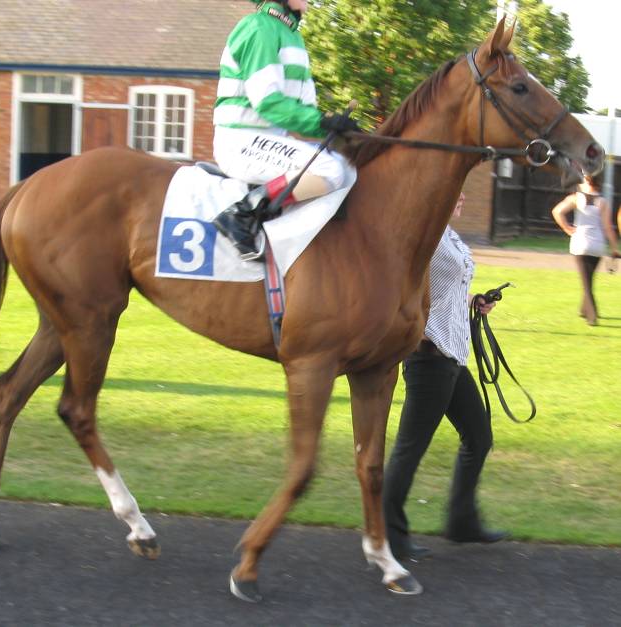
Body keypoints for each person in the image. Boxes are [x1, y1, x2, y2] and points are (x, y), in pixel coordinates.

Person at [383, 192, 508, 562]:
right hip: (429, 357)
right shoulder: (422, 234)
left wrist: (474, 301)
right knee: (410, 449)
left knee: (479, 438)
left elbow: (443, 289)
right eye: (456, 191)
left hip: (453, 356)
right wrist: (413, 331)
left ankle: (462, 521)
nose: (462, 196)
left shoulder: (447, 234)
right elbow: (397, 286)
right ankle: (388, 535)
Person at [212, 0, 360, 259]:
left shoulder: (292, 36)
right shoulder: (259, 27)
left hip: (270, 141)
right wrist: (321, 122)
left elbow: (303, 110)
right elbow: (267, 102)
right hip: (240, 142)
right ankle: (242, 213)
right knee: (329, 170)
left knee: (347, 167)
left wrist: (337, 127)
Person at [551, 174, 619, 326]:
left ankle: (592, 316)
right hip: (597, 245)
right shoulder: (602, 202)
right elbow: (608, 228)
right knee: (588, 278)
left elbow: (557, 211)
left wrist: (567, 228)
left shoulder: (575, 198)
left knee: (586, 283)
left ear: (586, 181)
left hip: (580, 243)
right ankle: (583, 310)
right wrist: (614, 248)